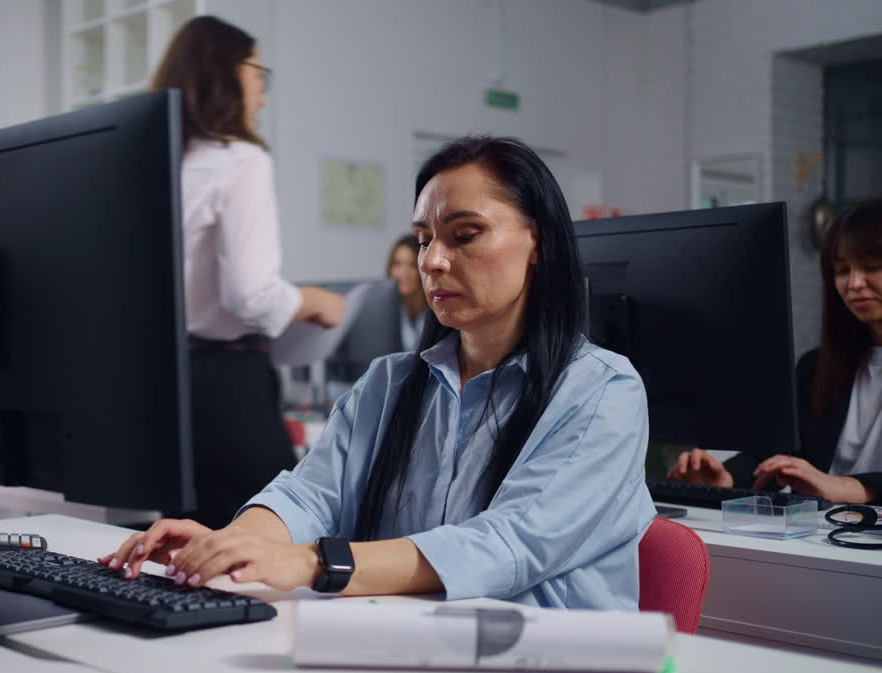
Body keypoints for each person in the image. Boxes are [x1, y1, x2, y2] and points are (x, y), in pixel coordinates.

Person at [100, 136, 656, 609]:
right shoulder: (390, 384)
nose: (433, 260)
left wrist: (313, 563)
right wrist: (233, 545)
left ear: (538, 241)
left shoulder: (602, 391)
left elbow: (506, 543)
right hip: (409, 654)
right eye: (423, 239)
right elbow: (309, 496)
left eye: (464, 235)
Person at [150, 16, 346, 529]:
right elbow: (251, 296)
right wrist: (313, 301)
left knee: (186, 545)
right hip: (227, 387)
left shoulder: (157, 164)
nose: (262, 93)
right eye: (259, 73)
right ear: (228, 74)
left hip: (167, 387)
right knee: (262, 540)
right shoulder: (240, 161)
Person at [668, 197, 882, 504]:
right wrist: (726, 479)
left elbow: (823, 480)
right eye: (841, 270)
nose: (854, 283)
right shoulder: (816, 367)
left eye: (871, 267)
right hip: (821, 535)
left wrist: (845, 487)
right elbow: (778, 454)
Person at [387, 233, 427, 351]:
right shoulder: (384, 310)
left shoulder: (434, 312)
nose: (403, 273)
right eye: (397, 264)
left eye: (412, 265)